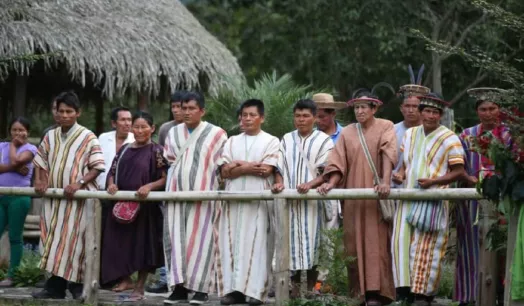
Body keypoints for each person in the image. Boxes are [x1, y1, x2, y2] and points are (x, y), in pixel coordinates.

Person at [318, 91, 397, 306]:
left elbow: (388, 153)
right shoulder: (348, 133)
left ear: (374, 108)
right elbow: (337, 162)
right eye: (357, 107)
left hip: (375, 194)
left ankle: (377, 293)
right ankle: (358, 293)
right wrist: (331, 183)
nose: (360, 111)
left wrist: (386, 182)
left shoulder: (386, 126)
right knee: (352, 245)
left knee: (376, 243)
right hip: (352, 196)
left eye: (364, 107)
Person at [392, 93, 466, 305]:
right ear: (421, 112)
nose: (430, 115)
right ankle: (406, 292)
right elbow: (407, 163)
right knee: (403, 244)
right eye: (427, 111)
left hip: (433, 198)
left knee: (428, 247)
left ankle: (424, 295)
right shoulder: (410, 134)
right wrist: (401, 174)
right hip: (408, 196)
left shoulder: (449, 137)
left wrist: (434, 182)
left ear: (440, 115)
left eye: (435, 112)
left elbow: (458, 170)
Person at [31, 91, 105, 300]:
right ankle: (54, 287)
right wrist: (40, 179)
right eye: (61, 111)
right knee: (52, 241)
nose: (64, 115)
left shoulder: (87, 136)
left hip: (78, 201)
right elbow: (40, 161)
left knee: (76, 243)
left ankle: (77, 286)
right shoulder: (50, 136)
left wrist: (79, 182)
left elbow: (97, 166)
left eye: (69, 111)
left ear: (77, 113)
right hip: (55, 200)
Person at [163, 92, 227, 305]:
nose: (186, 112)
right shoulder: (173, 133)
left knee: (203, 241)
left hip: (205, 195)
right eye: (183, 108)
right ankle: (178, 288)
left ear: (202, 110)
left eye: (191, 108)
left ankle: (201, 289)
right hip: (176, 194)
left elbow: (222, 165)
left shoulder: (217, 134)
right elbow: (170, 160)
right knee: (176, 240)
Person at [216, 99, 280, 305]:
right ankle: (233, 290)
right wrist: (247, 167)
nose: (248, 118)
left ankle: (255, 291)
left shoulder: (271, 141)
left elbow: (266, 170)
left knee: (258, 243)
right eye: (244, 115)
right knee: (231, 243)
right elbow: (224, 171)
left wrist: (238, 166)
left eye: (252, 115)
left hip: (259, 200)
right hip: (233, 199)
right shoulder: (232, 141)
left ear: (262, 117)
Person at [271, 99, 336, 297]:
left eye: (306, 116)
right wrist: (280, 182)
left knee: (313, 244)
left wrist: (310, 185)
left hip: (312, 202)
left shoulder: (324, 140)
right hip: (290, 201)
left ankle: (310, 290)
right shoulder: (286, 139)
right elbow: (278, 165)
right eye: (298, 116)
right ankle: (294, 290)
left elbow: (327, 171)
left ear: (315, 118)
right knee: (291, 244)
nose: (301, 120)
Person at [101, 111, 167, 302]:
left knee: (143, 247)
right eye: (136, 127)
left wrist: (149, 186)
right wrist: (112, 184)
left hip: (146, 208)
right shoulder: (124, 149)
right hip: (121, 205)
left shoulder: (157, 151)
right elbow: (112, 170)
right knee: (118, 244)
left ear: (152, 129)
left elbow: (164, 178)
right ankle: (126, 279)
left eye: (143, 127)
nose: (139, 131)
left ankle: (139, 287)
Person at [454, 88, 511, 306]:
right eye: (483, 109)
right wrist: (474, 181)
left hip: (503, 201)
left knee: (503, 246)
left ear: (500, 110)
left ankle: (501, 295)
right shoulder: (466, 136)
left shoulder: (509, 136)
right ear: (477, 111)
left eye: (492, 108)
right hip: (471, 201)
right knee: (469, 247)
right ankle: (468, 296)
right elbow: (457, 165)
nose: (488, 113)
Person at [390, 66, 430, 303]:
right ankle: (400, 289)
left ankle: (421, 290)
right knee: (399, 244)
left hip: (426, 194)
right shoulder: (392, 130)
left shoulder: (432, 132)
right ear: (401, 108)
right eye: (407, 106)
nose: (411, 110)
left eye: (416, 106)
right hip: (398, 194)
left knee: (422, 244)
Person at [0, 117, 38, 287]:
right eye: (14, 130)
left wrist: (14, 147)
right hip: (1, 195)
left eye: (21, 130)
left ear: (27, 132)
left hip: (19, 197)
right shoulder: (1, 146)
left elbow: (17, 160)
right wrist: (14, 168)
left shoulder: (31, 148)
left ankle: (12, 276)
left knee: (15, 236)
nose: (18, 133)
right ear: (10, 131)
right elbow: (15, 165)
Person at [97, 107, 134, 190]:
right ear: (114, 123)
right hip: (101, 190)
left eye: (129, 120)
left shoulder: (135, 140)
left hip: (125, 192)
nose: (127, 123)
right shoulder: (103, 138)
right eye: (123, 120)